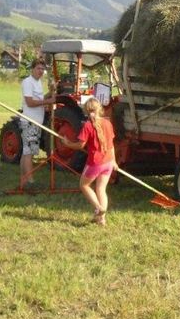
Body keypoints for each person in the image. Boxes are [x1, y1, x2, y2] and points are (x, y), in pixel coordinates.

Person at [63, 97, 117, 226]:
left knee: (84, 185)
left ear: (86, 111)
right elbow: (111, 144)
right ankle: (101, 219)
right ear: (100, 109)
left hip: (96, 163)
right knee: (101, 189)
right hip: (108, 161)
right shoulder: (108, 123)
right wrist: (114, 161)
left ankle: (99, 208)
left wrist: (67, 143)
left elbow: (80, 145)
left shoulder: (87, 126)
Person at [20, 58, 55, 189]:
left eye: (42, 69)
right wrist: (48, 102)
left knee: (27, 152)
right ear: (32, 69)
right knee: (29, 152)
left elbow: (40, 99)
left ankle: (23, 181)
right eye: (38, 68)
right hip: (29, 121)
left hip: (36, 122)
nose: (41, 71)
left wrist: (51, 92)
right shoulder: (28, 82)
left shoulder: (38, 82)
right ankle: (30, 181)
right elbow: (30, 102)